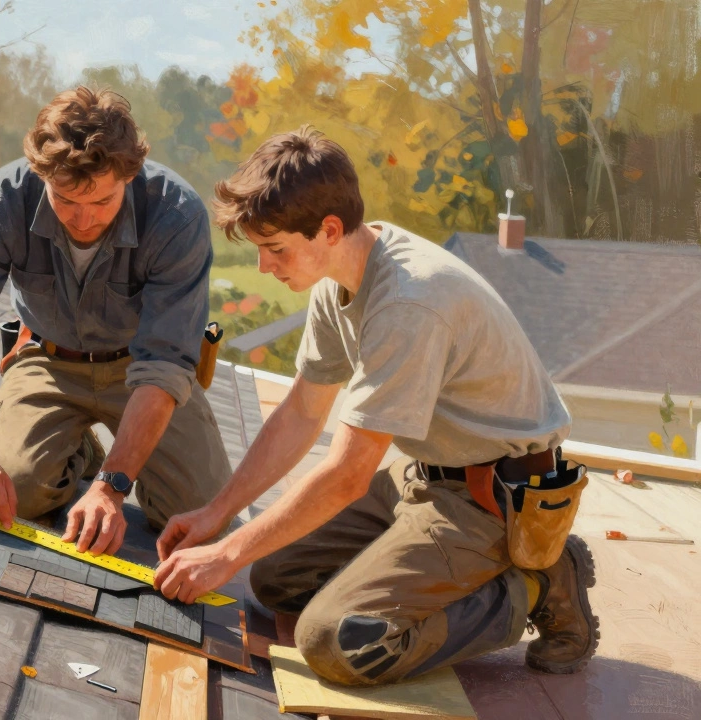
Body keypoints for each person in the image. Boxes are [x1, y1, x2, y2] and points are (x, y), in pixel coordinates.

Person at [153, 126, 598, 685]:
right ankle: (424, 569)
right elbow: (300, 415)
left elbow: (346, 476)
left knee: (339, 641)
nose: (266, 267)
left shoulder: (409, 302)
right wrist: (217, 517)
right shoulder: (333, 277)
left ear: (329, 229)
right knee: (273, 579)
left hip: (494, 497)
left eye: (275, 249)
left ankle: (535, 581)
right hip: (423, 475)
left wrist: (224, 556)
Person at [0, 87, 232, 556]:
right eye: (65, 199)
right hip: (48, 360)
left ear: (130, 173)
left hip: (141, 376)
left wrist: (111, 487)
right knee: (8, 496)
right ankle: (78, 449)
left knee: (201, 519)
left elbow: (164, 364)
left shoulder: (176, 216)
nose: (83, 220)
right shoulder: (0, 202)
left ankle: (101, 459)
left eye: (102, 202)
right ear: (41, 175)